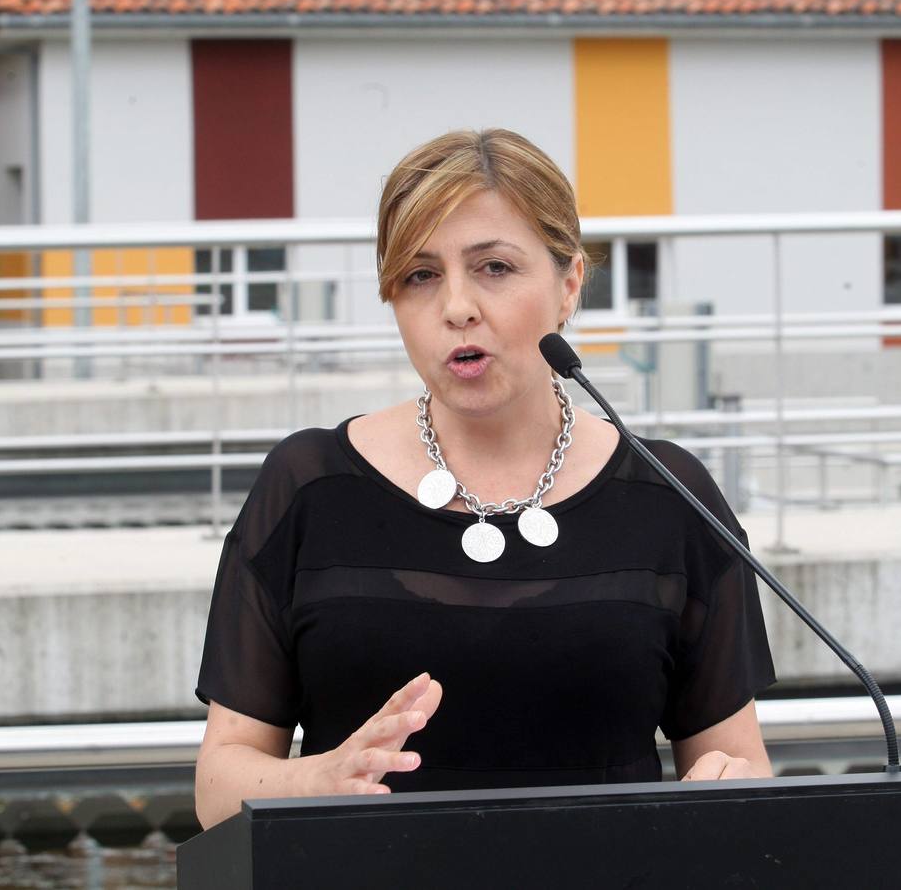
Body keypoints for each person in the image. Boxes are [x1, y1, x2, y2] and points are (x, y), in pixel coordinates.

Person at [192, 128, 777, 829]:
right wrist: (321, 776)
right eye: (419, 275)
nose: (456, 307)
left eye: (494, 268)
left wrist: (732, 790)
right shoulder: (308, 486)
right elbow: (218, 786)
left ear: (568, 285)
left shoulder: (669, 494)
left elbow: (739, 767)